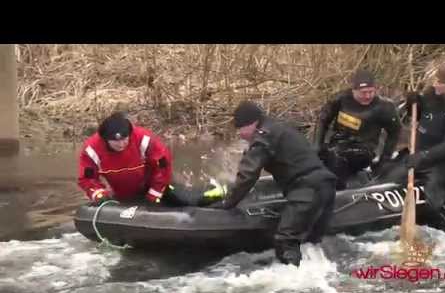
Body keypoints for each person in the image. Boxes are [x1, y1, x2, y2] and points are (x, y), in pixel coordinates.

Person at [211, 101, 337, 267]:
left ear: (252, 123)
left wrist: (228, 203)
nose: (240, 134)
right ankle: (318, 274)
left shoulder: (264, 137)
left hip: (307, 190)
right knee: (310, 242)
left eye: (241, 128)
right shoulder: (280, 128)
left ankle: (296, 284)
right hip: (326, 187)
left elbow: (248, 175)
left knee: (285, 241)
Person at [385, 63, 445, 231]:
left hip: (439, 165)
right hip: (415, 157)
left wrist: (423, 156)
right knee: (387, 178)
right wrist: (414, 102)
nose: (435, 85)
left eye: (440, 82)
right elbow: (417, 114)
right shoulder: (431, 95)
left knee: (432, 205)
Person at [77, 111, 224, 206]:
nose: (121, 144)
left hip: (152, 184)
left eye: (125, 139)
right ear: (105, 140)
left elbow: (163, 164)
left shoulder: (143, 139)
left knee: (183, 200)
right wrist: (98, 194)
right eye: (116, 141)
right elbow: (87, 178)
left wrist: (155, 192)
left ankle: (214, 191)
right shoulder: (92, 150)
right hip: (123, 192)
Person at [314, 69, 401, 189]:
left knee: (338, 159)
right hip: (338, 144)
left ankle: (337, 191)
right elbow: (323, 120)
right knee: (322, 156)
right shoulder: (340, 99)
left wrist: (384, 159)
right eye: (363, 93)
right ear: (353, 90)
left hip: (363, 149)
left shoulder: (385, 107)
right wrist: (317, 145)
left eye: (371, 92)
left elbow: (395, 132)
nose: (368, 96)